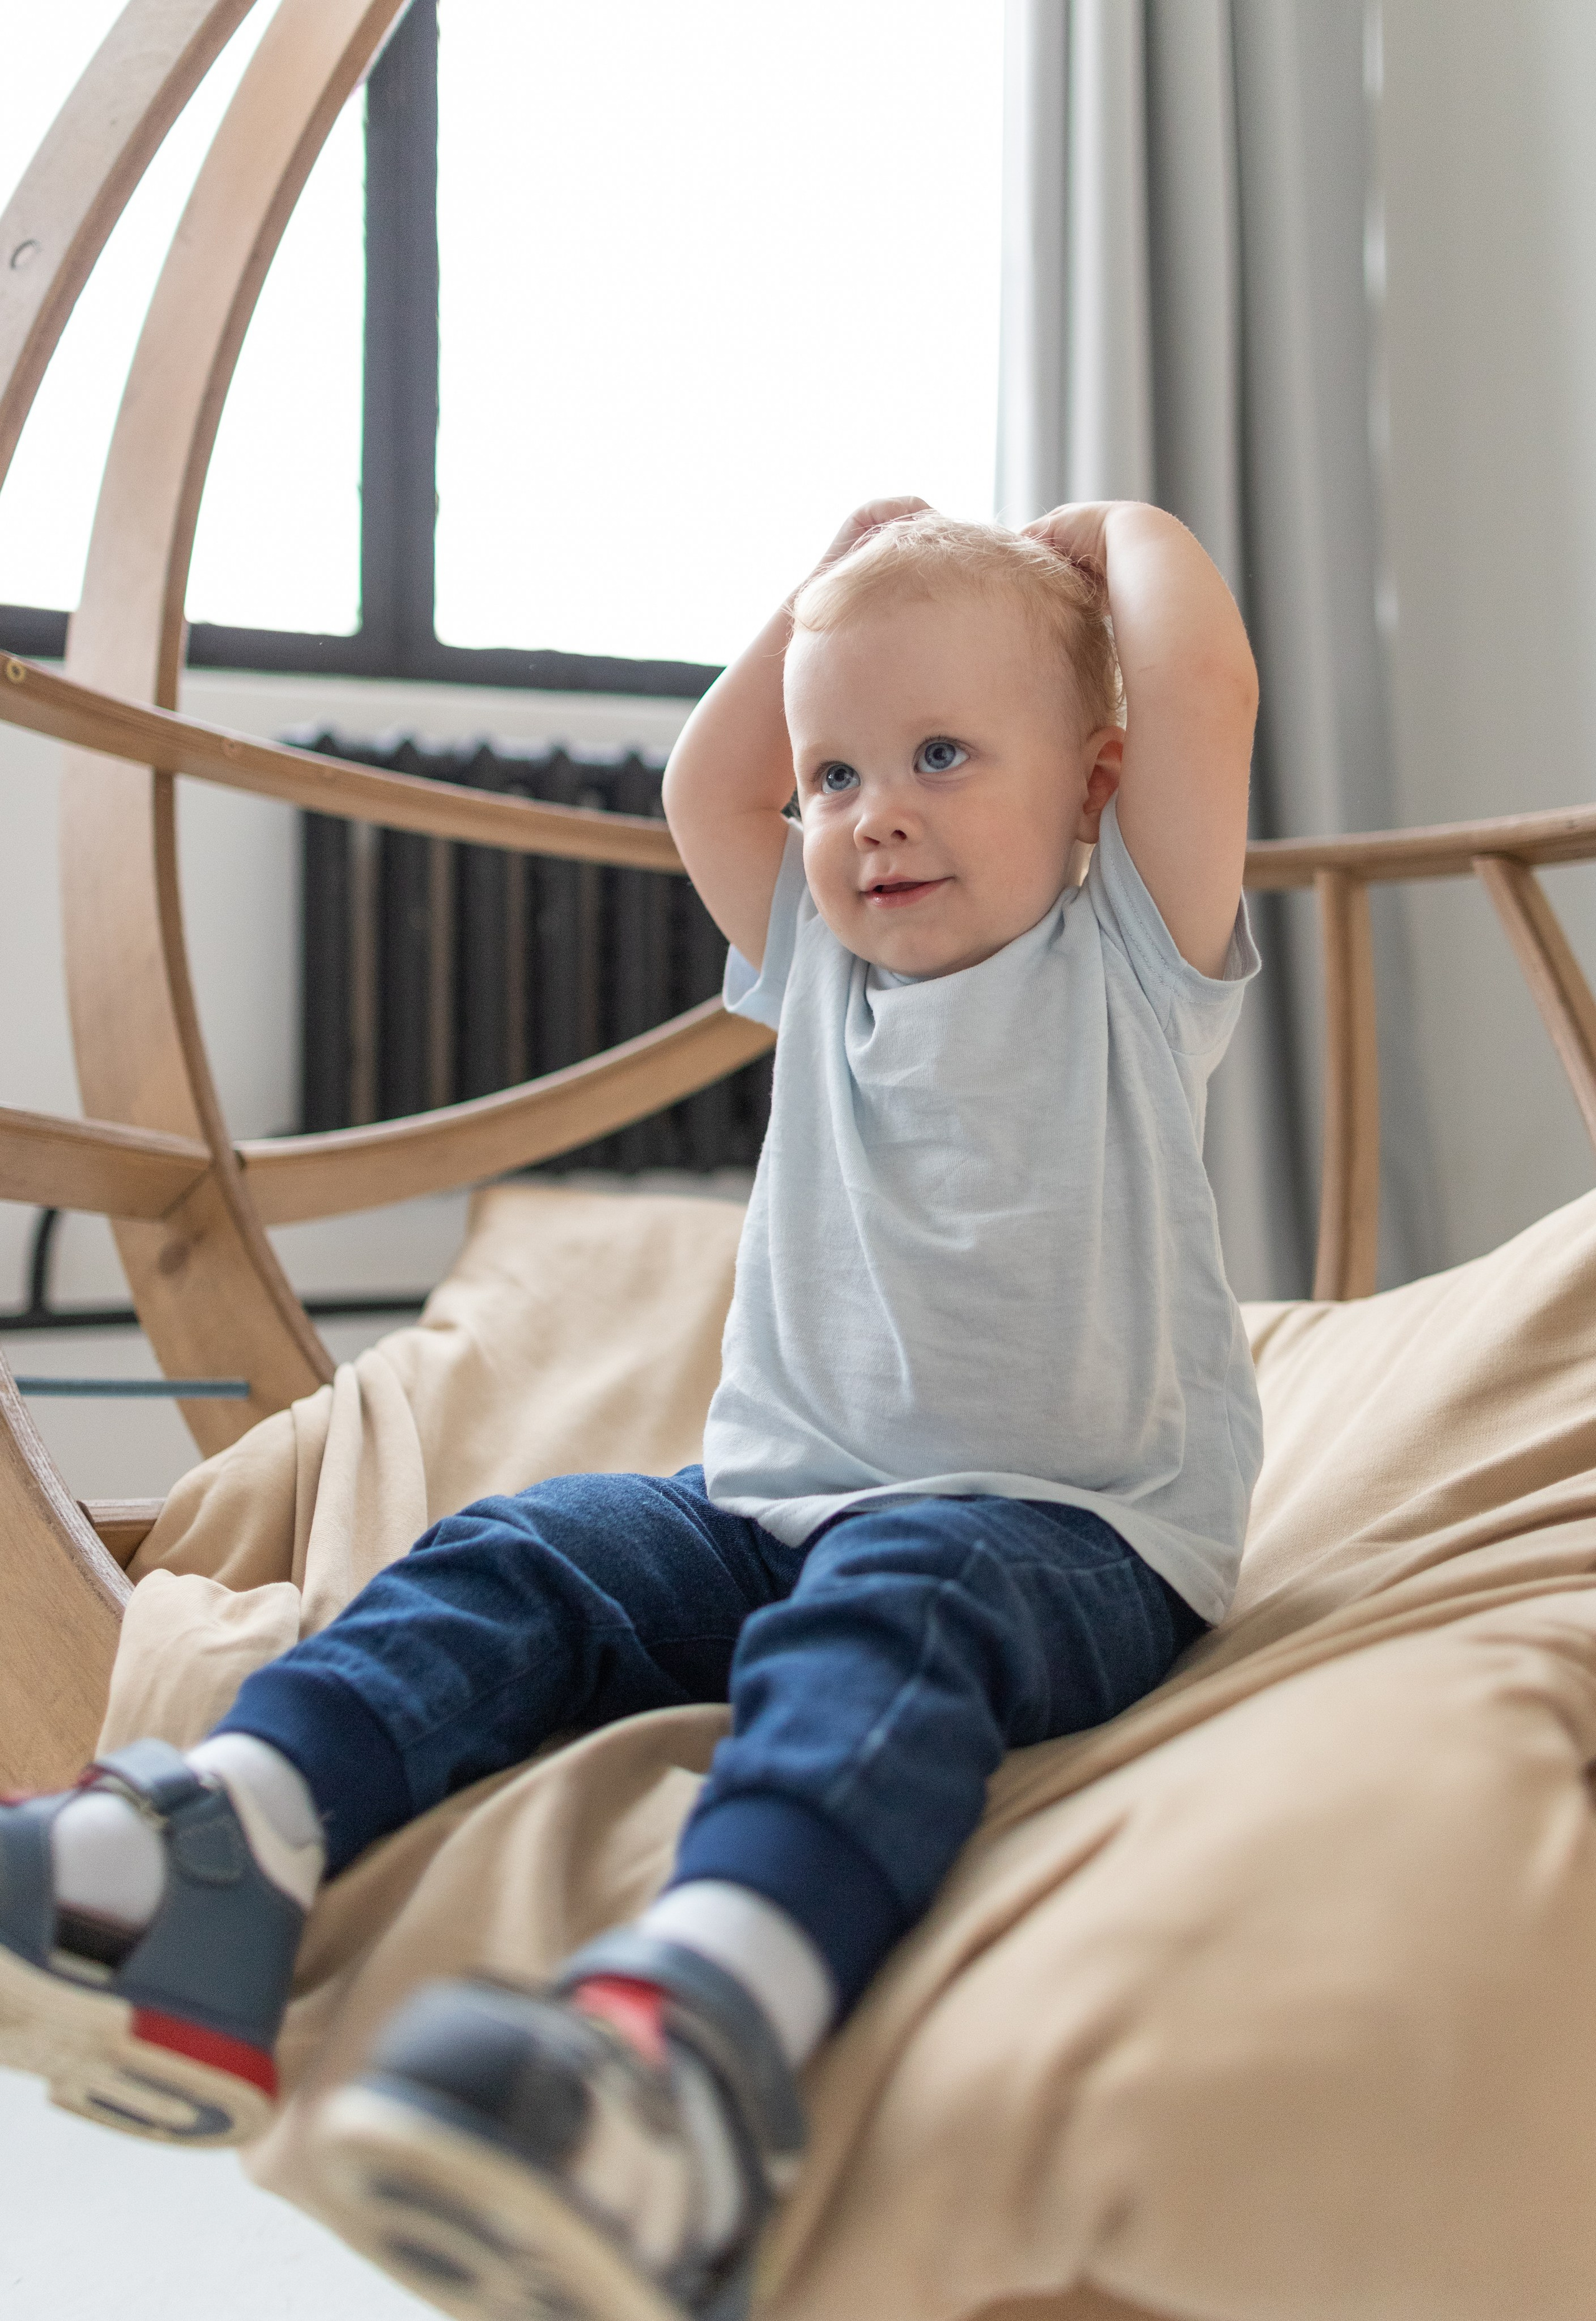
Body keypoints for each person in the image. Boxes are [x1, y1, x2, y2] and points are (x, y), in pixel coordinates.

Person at [0, 497, 1262, 2321]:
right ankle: (217, 1837)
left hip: (1066, 1530)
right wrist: (833, 575)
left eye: (938, 755)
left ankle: (692, 2037)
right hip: (765, 1506)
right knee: (532, 1546)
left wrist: (1122, 535)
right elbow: (704, 780)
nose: (869, 811)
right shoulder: (816, 967)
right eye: (833, 775)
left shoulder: (1132, 965)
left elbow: (1207, 679)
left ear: (1093, 788)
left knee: (891, 1614)